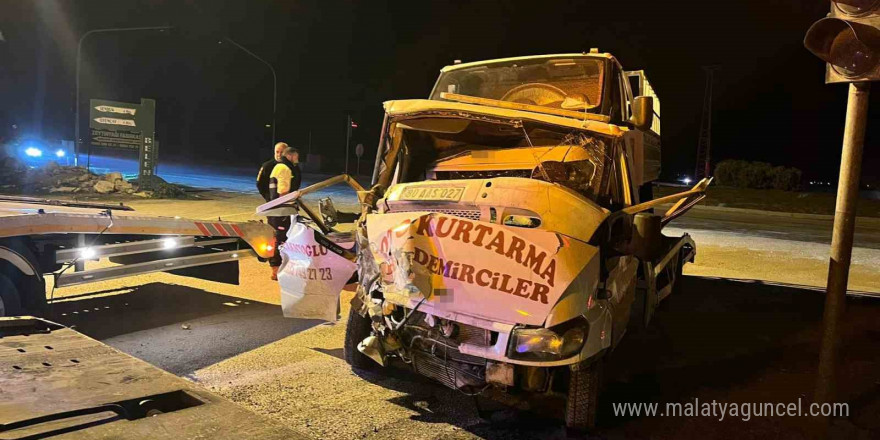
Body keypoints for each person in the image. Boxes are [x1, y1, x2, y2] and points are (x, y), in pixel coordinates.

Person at [268, 144, 301, 280]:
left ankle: (277, 269)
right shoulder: (284, 169)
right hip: (280, 210)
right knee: (280, 239)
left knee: (278, 238)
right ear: (290, 156)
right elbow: (283, 192)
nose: (297, 160)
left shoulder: (279, 167)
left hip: (277, 209)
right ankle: (276, 271)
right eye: (296, 157)